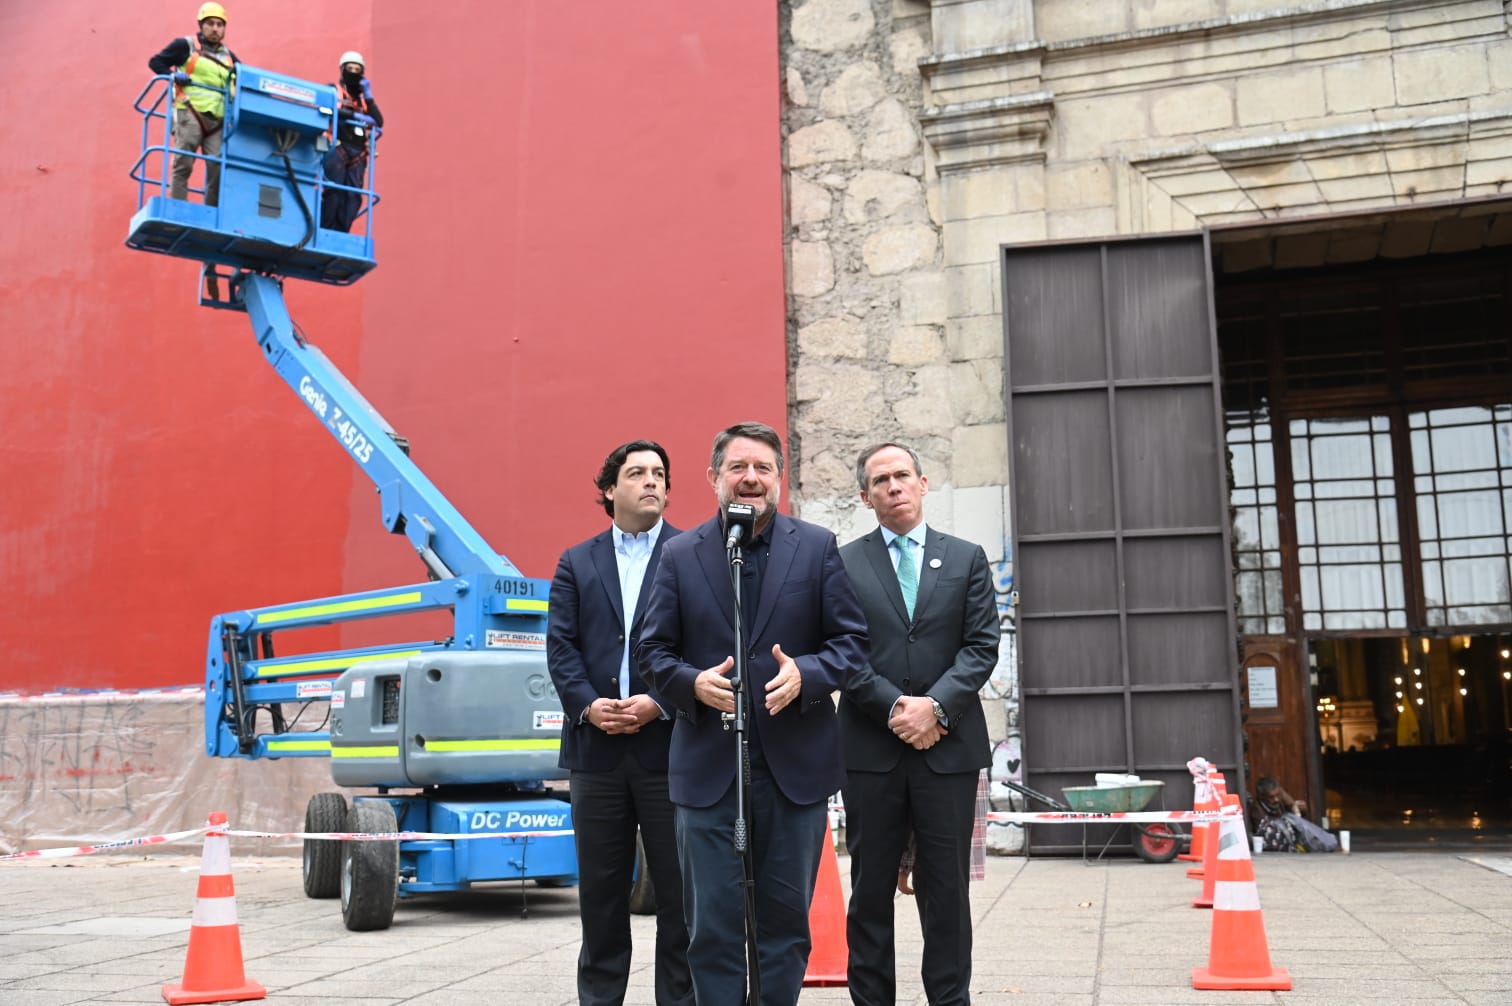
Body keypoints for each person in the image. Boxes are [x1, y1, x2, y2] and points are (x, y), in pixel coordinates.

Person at [637, 421, 868, 1006]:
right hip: (708, 770)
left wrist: (808, 674)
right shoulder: (680, 555)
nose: (750, 478)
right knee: (710, 928)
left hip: (794, 772)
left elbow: (852, 644)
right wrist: (692, 684)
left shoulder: (816, 547)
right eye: (738, 467)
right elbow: (651, 652)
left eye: (763, 468)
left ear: (778, 480)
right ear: (713, 477)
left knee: (784, 928)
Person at [838, 442, 999, 1006]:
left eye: (902, 475)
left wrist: (935, 707)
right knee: (870, 890)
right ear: (866, 497)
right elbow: (843, 652)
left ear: (923, 483)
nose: (894, 487)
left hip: (948, 750)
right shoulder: (843, 563)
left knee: (946, 890)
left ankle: (950, 998)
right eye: (880, 481)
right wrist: (894, 708)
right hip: (870, 750)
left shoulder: (966, 558)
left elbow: (981, 647)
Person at [546, 440, 692, 1006]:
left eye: (659, 474)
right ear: (610, 489)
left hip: (670, 749)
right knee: (601, 895)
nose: (652, 481)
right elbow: (561, 647)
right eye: (637, 473)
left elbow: (703, 643)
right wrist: (587, 705)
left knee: (679, 895)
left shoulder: (691, 553)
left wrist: (660, 701)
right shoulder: (576, 562)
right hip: (597, 752)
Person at [148, 3, 238, 206]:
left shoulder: (229, 57)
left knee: (218, 168)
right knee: (184, 163)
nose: (215, 28)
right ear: (201, 25)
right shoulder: (185, 46)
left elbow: (244, 78)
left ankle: (212, 211)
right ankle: (178, 207)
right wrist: (172, 75)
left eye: (219, 25)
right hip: (190, 112)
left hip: (217, 122)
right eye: (210, 23)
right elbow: (155, 62)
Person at [322, 51, 384, 233]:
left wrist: (369, 96)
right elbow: (328, 108)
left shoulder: (363, 101)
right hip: (338, 148)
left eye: (358, 70)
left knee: (353, 197)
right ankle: (326, 230)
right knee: (333, 192)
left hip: (358, 153)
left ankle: (341, 233)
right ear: (342, 70)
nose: (354, 73)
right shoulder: (333, 90)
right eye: (350, 69)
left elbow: (379, 121)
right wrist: (354, 116)